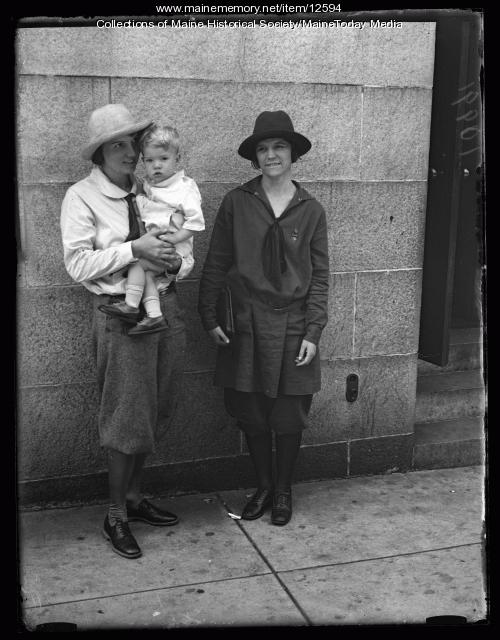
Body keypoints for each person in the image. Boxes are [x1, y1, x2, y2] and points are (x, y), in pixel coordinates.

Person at [60, 104, 194, 559]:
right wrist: (130, 248)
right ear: (99, 153)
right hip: (121, 314)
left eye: (130, 142)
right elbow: (77, 264)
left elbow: (182, 246)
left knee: (157, 408)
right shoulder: (82, 197)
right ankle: (115, 513)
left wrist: (179, 263)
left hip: (165, 309)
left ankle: (135, 498)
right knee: (125, 416)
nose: (129, 152)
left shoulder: (153, 187)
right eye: (116, 144)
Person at [198, 110, 329, 526]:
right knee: (251, 412)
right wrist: (209, 314)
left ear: (293, 154)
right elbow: (216, 262)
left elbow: (321, 275)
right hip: (246, 323)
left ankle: (285, 491)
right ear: (255, 158)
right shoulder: (238, 202)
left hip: (292, 323)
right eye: (263, 148)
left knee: (288, 413)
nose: (271, 154)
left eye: (279, 147)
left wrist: (314, 329)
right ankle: (264, 486)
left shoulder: (311, 209)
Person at [98, 124, 205, 335]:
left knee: (137, 266)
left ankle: (130, 305)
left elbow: (196, 223)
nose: (156, 165)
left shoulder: (184, 188)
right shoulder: (149, 186)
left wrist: (171, 240)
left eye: (163, 159)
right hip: (156, 245)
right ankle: (154, 316)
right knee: (146, 276)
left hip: (173, 249)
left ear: (177, 158)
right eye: (149, 160)